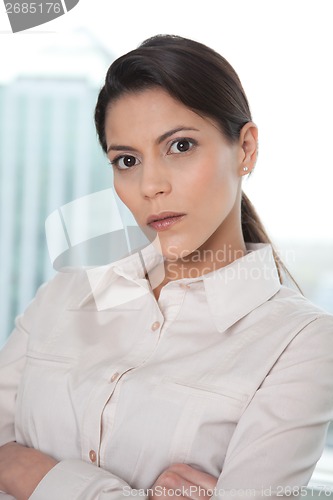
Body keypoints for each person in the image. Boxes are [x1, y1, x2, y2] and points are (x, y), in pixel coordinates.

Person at [0, 34, 332, 500]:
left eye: (179, 146)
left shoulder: (301, 343)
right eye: (127, 160)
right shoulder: (67, 293)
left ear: (246, 149)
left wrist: (30, 472)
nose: (150, 184)